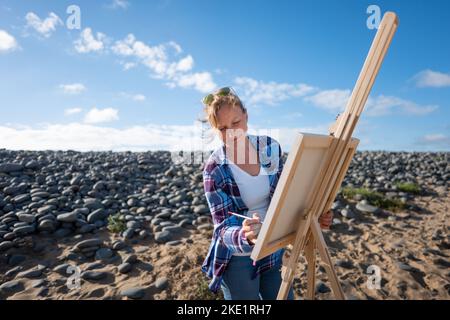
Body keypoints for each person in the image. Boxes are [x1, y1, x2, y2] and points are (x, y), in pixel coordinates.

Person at [200, 87, 333, 300]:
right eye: (223, 128)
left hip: (273, 248)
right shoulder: (214, 169)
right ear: (215, 130)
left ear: (246, 115)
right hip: (238, 258)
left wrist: (315, 214)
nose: (232, 133)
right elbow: (222, 228)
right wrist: (244, 235)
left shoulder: (269, 147)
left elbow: (287, 196)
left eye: (236, 123)